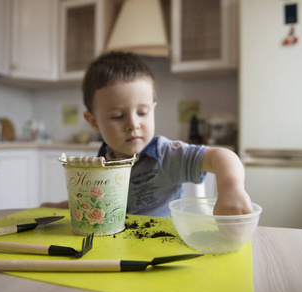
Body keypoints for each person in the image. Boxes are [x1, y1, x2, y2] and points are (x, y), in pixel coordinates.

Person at [41, 51, 252, 217]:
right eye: (117, 116)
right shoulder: (100, 162)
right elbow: (100, 205)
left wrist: (231, 188)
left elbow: (222, 156)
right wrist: (64, 207)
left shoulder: (166, 155)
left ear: (153, 109)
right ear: (94, 122)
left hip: (160, 251)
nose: (133, 124)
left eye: (142, 112)